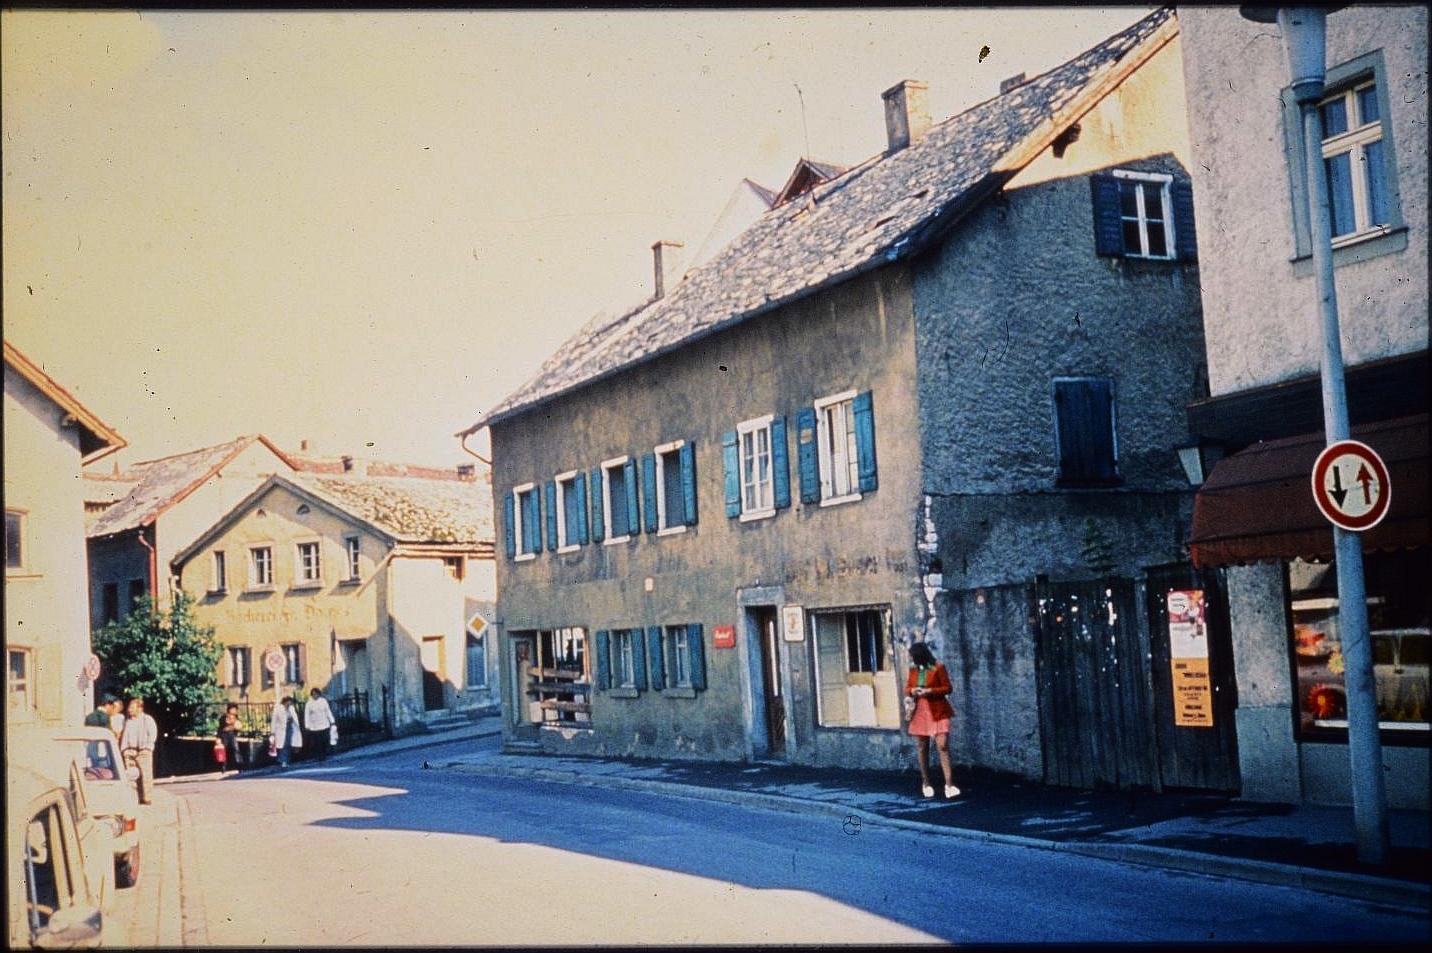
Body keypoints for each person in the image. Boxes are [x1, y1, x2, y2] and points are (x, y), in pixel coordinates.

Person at [905, 642, 960, 799]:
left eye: (913, 657)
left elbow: (948, 688)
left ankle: (949, 785)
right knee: (922, 747)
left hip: (937, 709)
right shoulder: (913, 670)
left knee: (942, 745)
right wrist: (912, 690)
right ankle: (926, 782)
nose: (912, 660)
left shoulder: (938, 667)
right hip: (920, 710)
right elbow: (907, 687)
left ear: (920, 656)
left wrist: (930, 691)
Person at [118, 697, 158, 804]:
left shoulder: (147, 719)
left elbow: (153, 734)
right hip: (130, 751)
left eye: (132, 707)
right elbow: (125, 736)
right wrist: (124, 750)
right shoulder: (128, 721)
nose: (129, 709)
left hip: (143, 751)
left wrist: (148, 747)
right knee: (131, 776)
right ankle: (135, 797)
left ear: (139, 708)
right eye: (129, 707)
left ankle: (147, 798)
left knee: (146, 775)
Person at [302, 687, 336, 760]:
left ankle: (324, 753)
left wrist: (332, 721)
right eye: (313, 694)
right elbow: (306, 715)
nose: (315, 696)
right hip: (314, 726)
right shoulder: (309, 703)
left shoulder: (323, 701)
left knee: (324, 740)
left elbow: (328, 711)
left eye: (316, 694)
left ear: (319, 694)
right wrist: (307, 725)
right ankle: (319, 755)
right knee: (317, 742)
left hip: (324, 724)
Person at [270, 695, 302, 768]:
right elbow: (274, 720)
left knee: (288, 745)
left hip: (289, 728)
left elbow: (295, 718)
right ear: (285, 701)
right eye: (289, 702)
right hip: (280, 730)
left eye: (291, 702)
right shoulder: (278, 709)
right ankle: (282, 760)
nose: (290, 704)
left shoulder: (291, 709)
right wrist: (272, 731)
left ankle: (286, 760)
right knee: (282, 745)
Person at [218, 703, 244, 774]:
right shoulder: (224, 717)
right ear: (229, 709)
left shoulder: (236, 718)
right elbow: (221, 728)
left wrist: (236, 727)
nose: (234, 711)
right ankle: (223, 767)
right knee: (223, 751)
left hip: (232, 735)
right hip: (224, 735)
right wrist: (219, 737)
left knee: (236, 750)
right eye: (233, 709)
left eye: (235, 709)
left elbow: (238, 727)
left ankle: (240, 766)